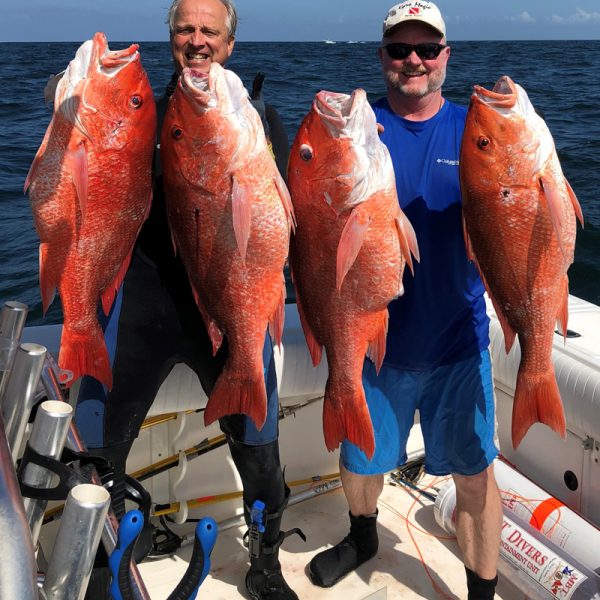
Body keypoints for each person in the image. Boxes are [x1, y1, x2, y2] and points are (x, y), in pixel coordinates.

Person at [74, 1, 300, 599]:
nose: (197, 41)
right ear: (170, 39)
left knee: (260, 448)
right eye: (185, 30)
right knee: (99, 445)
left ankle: (266, 562)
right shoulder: (139, 114)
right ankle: (106, 561)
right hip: (141, 312)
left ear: (229, 45)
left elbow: (291, 222)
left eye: (210, 32)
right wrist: (69, 101)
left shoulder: (260, 121)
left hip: (229, 311)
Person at [307, 2, 503, 599]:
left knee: (474, 476)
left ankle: (481, 590)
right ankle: (363, 534)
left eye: (426, 49)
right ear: (382, 58)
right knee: (362, 461)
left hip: (457, 344)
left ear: (446, 57)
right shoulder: (355, 133)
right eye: (398, 49)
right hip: (370, 346)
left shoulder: (477, 131)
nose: (412, 60)